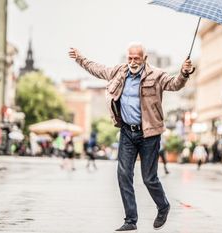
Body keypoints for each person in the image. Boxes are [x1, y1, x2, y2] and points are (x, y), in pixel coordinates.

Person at [69, 42, 193, 232]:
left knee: (149, 178)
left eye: (137, 58)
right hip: (127, 131)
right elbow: (97, 69)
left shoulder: (157, 75)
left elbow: (175, 84)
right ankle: (130, 220)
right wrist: (80, 58)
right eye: (130, 58)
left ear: (144, 59)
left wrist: (184, 73)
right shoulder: (120, 72)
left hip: (149, 133)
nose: (133, 62)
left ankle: (163, 206)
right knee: (123, 174)